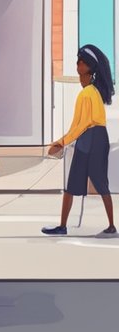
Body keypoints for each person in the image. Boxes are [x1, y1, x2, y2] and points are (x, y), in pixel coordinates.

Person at [43, 45, 117, 237]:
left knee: (98, 183)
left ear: (88, 67)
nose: (77, 65)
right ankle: (64, 225)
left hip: (92, 138)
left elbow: (80, 125)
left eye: (81, 62)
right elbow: (78, 126)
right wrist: (62, 141)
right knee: (76, 184)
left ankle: (110, 226)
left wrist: (60, 143)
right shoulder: (91, 92)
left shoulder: (87, 93)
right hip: (93, 138)